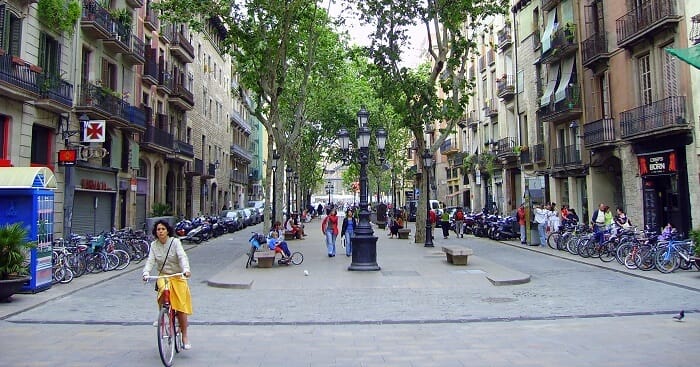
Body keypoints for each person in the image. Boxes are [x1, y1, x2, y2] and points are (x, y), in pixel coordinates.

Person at [142, 220, 193, 350]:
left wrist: (186, 270)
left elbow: (182, 256)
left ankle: (185, 336)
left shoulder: (175, 242)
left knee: (181, 307)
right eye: (158, 229)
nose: (160, 231)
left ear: (168, 230)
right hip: (164, 275)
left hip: (178, 275)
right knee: (163, 291)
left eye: (163, 229)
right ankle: (162, 315)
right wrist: (146, 273)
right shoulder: (154, 245)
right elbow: (150, 261)